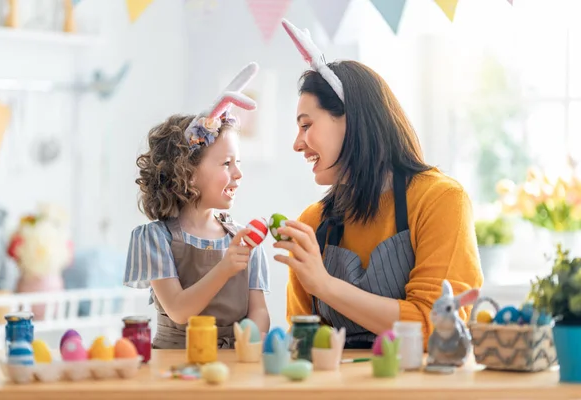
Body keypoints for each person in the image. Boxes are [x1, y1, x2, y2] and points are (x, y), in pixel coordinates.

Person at [274, 19, 483, 348]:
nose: (297, 144)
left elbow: (437, 327)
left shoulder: (440, 200)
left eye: (306, 125)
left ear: (351, 120)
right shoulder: (313, 223)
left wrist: (326, 285)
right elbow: (303, 340)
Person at [124, 63, 270, 349]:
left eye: (237, 163)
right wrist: (226, 267)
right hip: (173, 369)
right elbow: (178, 309)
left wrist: (248, 338)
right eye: (226, 163)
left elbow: (260, 311)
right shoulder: (155, 239)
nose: (238, 174)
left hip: (234, 369)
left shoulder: (247, 240)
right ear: (187, 172)